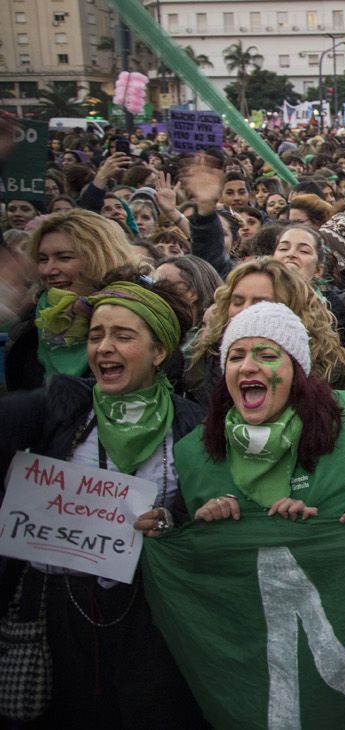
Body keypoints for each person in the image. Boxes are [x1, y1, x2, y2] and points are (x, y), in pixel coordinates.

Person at [0, 274, 204, 726]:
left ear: (158, 352)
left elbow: (203, 515)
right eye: (96, 336)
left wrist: (170, 521)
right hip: (56, 612)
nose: (104, 348)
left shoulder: (192, 426)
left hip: (148, 615)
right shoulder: (62, 406)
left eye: (123, 336)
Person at [176, 302, 345, 520]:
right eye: (236, 357)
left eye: (267, 356)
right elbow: (179, 534)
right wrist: (191, 524)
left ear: (296, 372)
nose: (247, 367)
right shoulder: (194, 451)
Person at [184, 257, 345, 405]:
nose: (246, 310)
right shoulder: (202, 360)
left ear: (292, 307)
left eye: (260, 301)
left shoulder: (328, 368)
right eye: (237, 301)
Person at [7, 210, 139, 390]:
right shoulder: (27, 331)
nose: (47, 270)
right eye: (42, 259)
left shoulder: (142, 325)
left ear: (101, 258)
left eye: (64, 258)